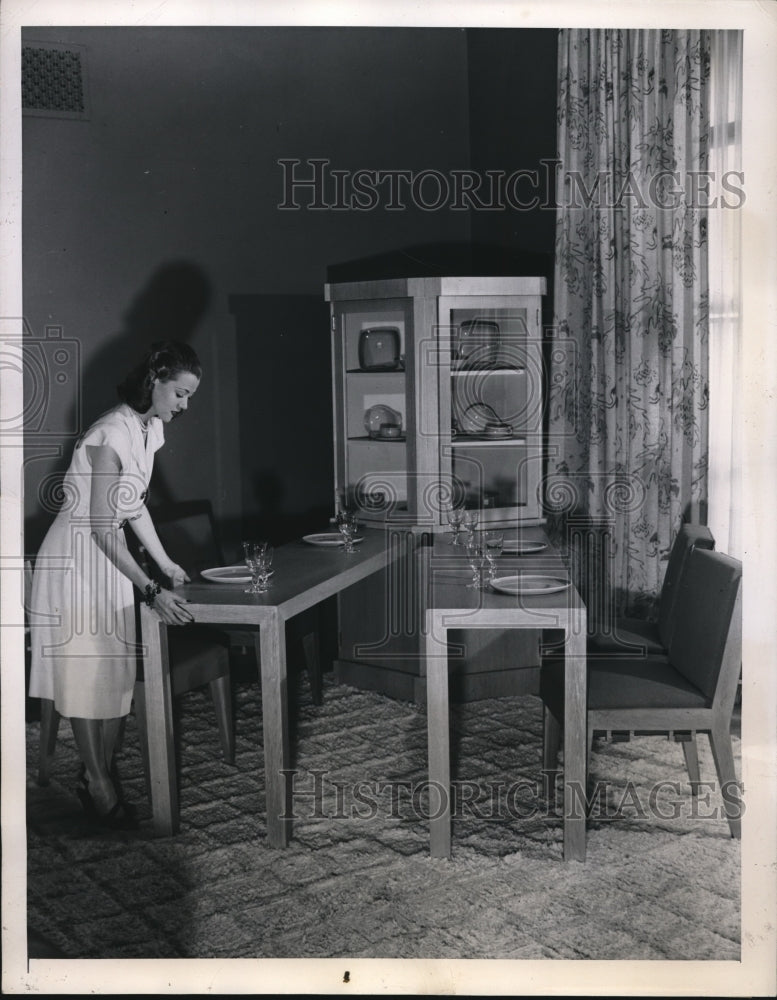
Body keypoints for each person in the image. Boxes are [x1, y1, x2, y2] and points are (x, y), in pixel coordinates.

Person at [28, 340, 201, 829]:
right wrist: (151, 590)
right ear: (155, 382)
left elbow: (134, 504)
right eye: (181, 394)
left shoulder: (147, 428)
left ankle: (93, 773)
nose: (184, 406)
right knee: (87, 673)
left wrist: (166, 564)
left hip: (110, 560)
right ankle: (99, 783)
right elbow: (104, 528)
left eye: (189, 397)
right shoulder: (110, 433)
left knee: (114, 672)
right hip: (76, 559)